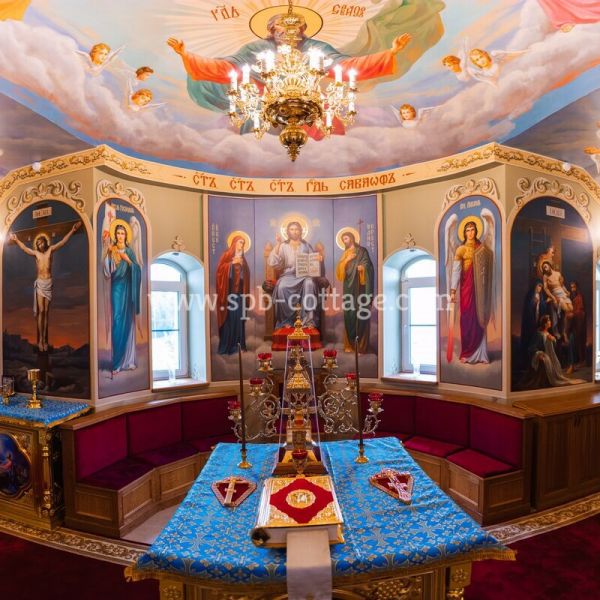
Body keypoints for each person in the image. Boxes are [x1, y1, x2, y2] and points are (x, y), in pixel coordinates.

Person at [167, 9, 414, 130]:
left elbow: (346, 67)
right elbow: (227, 68)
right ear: (272, 31)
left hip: (307, 103)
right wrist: (188, 57)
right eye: (282, 30)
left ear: (303, 31)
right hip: (265, 101)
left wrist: (390, 53)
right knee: (254, 126)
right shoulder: (257, 48)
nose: (289, 34)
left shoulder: (315, 48)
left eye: (295, 30)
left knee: (332, 129)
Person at [10, 222, 82, 352]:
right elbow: (24, 249)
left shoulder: (50, 250)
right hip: (40, 283)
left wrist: (72, 230)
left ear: (45, 242)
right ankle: (40, 341)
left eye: (41, 243)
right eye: (38, 244)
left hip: (48, 283)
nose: (40, 245)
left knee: (46, 312)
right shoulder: (36, 253)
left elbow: (62, 242)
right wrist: (16, 240)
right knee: (41, 311)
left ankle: (44, 339)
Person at [267, 221, 324, 330]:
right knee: (282, 287)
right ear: (288, 232)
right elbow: (273, 262)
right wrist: (278, 243)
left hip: (304, 275)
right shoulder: (283, 245)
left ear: (301, 231)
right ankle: (286, 321)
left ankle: (308, 320)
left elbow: (313, 261)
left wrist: (318, 259)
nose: (294, 231)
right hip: (288, 275)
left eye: (297, 229)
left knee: (309, 284)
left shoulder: (306, 245)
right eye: (292, 229)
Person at [449, 220, 492, 364]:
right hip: (466, 289)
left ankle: (482, 354)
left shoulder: (482, 248)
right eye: (467, 230)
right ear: (464, 232)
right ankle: (467, 353)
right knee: (467, 318)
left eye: (473, 229)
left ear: (476, 231)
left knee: (480, 317)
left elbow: (487, 270)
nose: (470, 232)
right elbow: (456, 271)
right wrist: (453, 291)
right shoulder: (461, 250)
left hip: (480, 290)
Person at [104, 223, 142, 376]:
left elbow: (137, 270)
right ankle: (117, 361)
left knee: (127, 320)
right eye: (118, 233)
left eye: (123, 233)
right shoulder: (112, 250)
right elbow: (107, 271)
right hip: (117, 287)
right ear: (115, 235)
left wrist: (128, 260)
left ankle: (126, 360)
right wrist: (109, 255)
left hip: (128, 288)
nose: (120, 236)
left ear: (126, 236)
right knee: (117, 319)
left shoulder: (129, 252)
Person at [336, 231, 374, 353]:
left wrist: (363, 268)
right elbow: (339, 272)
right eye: (343, 240)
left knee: (360, 311)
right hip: (348, 286)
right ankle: (350, 344)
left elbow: (368, 265)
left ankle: (360, 345)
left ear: (352, 238)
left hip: (360, 286)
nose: (345, 241)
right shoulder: (345, 253)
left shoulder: (362, 251)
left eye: (346, 238)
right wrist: (347, 260)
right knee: (349, 312)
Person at [216, 235, 250, 355]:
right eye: (240, 242)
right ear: (234, 243)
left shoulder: (243, 259)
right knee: (230, 319)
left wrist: (242, 266)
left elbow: (246, 276)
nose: (242, 245)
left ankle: (239, 345)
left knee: (239, 319)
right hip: (228, 294)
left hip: (240, 295)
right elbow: (220, 271)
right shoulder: (226, 255)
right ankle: (228, 346)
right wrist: (231, 264)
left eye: (243, 243)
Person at [527, 315, 579, 387]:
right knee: (547, 360)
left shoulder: (547, 333)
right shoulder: (539, 334)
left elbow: (552, 347)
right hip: (543, 355)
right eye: (549, 320)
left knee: (555, 363)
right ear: (545, 324)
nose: (550, 322)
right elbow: (532, 347)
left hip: (550, 355)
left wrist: (553, 340)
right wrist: (539, 354)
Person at [540, 260, 573, 342]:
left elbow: (562, 285)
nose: (545, 268)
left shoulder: (558, 273)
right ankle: (562, 332)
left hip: (562, 292)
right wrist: (553, 297)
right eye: (543, 268)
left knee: (571, 309)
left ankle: (565, 331)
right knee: (566, 310)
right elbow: (546, 289)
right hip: (555, 294)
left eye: (546, 266)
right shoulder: (545, 276)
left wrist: (566, 291)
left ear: (549, 266)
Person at [520, 279, 546, 361]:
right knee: (530, 338)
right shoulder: (530, 295)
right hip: (530, 321)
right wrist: (534, 303)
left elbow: (543, 306)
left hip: (538, 319)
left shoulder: (541, 296)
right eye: (539, 286)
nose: (540, 288)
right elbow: (527, 308)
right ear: (535, 286)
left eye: (541, 287)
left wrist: (543, 303)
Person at [569, 281, 586, 366]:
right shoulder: (573, 297)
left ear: (577, 288)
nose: (572, 289)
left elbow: (581, 310)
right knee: (575, 340)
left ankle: (582, 360)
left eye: (574, 287)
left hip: (580, 322)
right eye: (571, 287)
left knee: (580, 341)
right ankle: (577, 360)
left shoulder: (579, 297)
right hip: (575, 322)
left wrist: (573, 313)